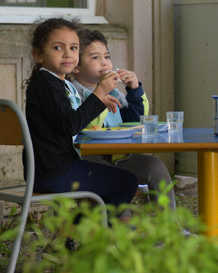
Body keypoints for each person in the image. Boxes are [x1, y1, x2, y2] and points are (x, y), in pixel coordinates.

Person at [23, 17, 138, 220]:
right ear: (38, 54)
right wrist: (99, 93)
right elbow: (71, 125)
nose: (68, 54)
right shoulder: (47, 83)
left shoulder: (52, 82)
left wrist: (99, 101)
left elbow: (68, 121)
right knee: (127, 181)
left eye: (74, 48)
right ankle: (84, 238)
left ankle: (75, 236)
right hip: (55, 173)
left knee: (112, 180)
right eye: (58, 48)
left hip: (47, 171)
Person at [69, 29, 178, 215]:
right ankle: (122, 235)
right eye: (95, 57)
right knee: (117, 180)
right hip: (87, 159)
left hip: (118, 156)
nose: (104, 62)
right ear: (76, 66)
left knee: (155, 166)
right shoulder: (73, 92)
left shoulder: (113, 92)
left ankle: (169, 229)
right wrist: (100, 93)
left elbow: (134, 120)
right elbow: (83, 126)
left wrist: (134, 90)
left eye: (107, 56)